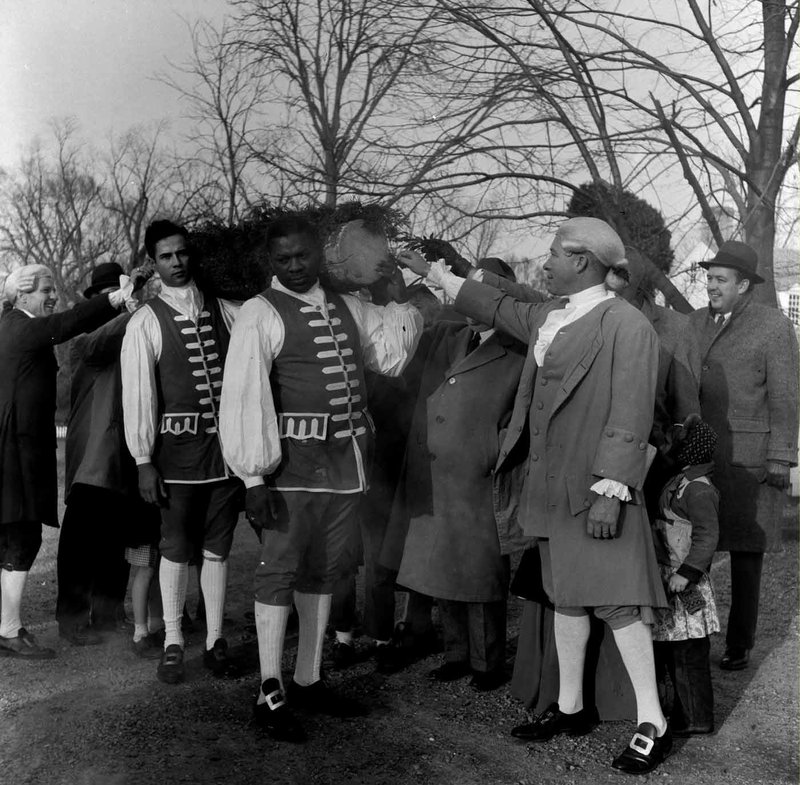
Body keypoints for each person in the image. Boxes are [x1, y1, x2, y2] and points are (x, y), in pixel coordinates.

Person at [402, 217, 671, 774]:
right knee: (565, 597)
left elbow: (632, 413)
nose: (543, 264)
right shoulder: (551, 314)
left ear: (584, 261)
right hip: (548, 489)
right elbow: (497, 307)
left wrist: (612, 490)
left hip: (597, 490)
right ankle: (570, 707)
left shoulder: (626, 325)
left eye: (552, 255)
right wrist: (434, 273)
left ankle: (653, 719)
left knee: (619, 603)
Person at [219, 216, 423, 743]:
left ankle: (309, 678)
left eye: (301, 256)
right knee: (279, 571)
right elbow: (244, 396)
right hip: (291, 469)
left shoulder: (349, 307)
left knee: (327, 572)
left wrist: (392, 292)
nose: (293, 266)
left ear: (319, 254)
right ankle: (269, 688)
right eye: (282, 259)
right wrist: (253, 478)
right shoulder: (260, 314)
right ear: (272, 261)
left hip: (345, 466)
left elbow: (392, 358)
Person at [393, 257, 528, 690]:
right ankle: (455, 654)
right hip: (438, 472)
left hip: (480, 477)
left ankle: (487, 663)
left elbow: (521, 417)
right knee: (442, 566)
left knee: (482, 572)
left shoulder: (519, 351)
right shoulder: (452, 336)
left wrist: (496, 449)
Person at [121, 219, 243, 684]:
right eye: (167, 256)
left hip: (225, 454)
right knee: (173, 549)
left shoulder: (223, 309)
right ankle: (173, 640)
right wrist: (143, 461)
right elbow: (139, 396)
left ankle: (214, 641)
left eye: (183, 253)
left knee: (217, 549)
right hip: (176, 457)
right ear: (153, 262)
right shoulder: (146, 319)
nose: (177, 262)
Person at [0, 263, 134, 658]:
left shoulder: (13, 327)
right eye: (44, 290)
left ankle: (8, 626)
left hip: (15, 452)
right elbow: (69, 322)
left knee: (15, 540)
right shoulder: (20, 326)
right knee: (21, 541)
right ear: (21, 295)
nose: (52, 297)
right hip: (16, 454)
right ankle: (9, 630)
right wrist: (115, 300)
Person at [687, 241, 798, 671]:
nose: (711, 286)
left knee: (745, 556)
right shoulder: (694, 323)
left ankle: (739, 642)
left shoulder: (773, 326)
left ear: (744, 284)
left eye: (720, 279)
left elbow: (787, 397)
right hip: (699, 456)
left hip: (749, 462)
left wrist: (780, 459)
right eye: (709, 278)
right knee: (694, 548)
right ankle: (692, 637)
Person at [56, 262, 151, 646]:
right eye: (105, 297)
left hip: (125, 457)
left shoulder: (133, 335)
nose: (110, 303)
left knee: (115, 540)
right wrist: (131, 305)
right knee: (80, 542)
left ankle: (108, 617)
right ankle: (73, 619)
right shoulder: (83, 341)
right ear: (96, 302)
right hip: (92, 460)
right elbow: (101, 340)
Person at [651, 415, 720, 736]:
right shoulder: (682, 479)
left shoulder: (699, 490)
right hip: (673, 576)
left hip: (687, 584)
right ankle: (684, 710)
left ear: (688, 451)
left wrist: (687, 573)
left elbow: (707, 536)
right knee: (675, 651)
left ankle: (697, 718)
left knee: (689, 654)